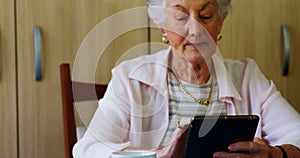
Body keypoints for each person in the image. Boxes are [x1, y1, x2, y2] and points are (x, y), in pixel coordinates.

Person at [73, 0, 300, 157]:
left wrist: (275, 154)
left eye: (206, 16)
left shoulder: (248, 76)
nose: (195, 30)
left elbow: (296, 133)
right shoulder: (130, 78)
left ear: (220, 21)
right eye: (181, 17)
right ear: (162, 25)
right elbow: (90, 149)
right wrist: (157, 156)